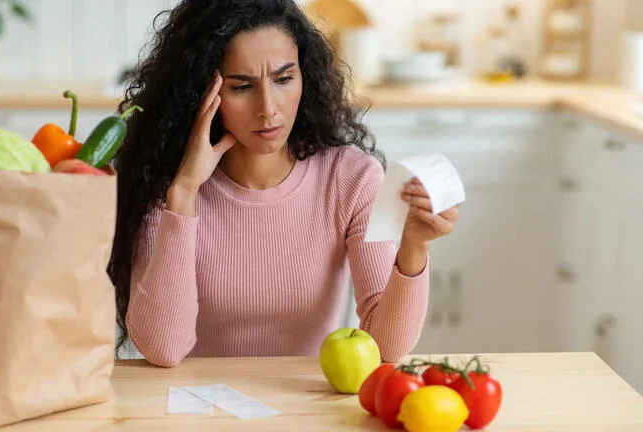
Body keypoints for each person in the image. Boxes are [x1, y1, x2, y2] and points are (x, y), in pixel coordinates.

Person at [107, 0, 460, 368]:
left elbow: (384, 348)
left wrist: (413, 246)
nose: (268, 108)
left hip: (307, 408)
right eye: (242, 86)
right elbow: (164, 349)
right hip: (197, 411)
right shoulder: (168, 185)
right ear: (202, 94)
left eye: (283, 79)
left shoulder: (350, 179)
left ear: (304, 78)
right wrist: (183, 195)